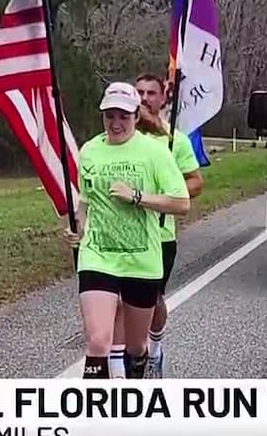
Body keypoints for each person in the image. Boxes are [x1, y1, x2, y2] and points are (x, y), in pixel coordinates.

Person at [62, 81, 191, 379]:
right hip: (98, 255)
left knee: (136, 345)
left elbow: (181, 202)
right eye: (110, 116)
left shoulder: (154, 152)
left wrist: (137, 197)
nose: (116, 123)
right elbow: (85, 200)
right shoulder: (91, 150)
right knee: (97, 343)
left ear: (135, 115)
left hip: (141, 260)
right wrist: (77, 227)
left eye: (123, 116)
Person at [106, 73, 205, 379]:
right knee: (119, 302)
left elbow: (196, 183)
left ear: (163, 99)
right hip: (118, 235)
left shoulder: (175, 140)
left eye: (151, 93)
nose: (145, 97)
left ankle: (155, 348)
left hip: (159, 236)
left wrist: (158, 196)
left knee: (152, 301)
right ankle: (120, 367)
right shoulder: (118, 136)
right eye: (139, 92)